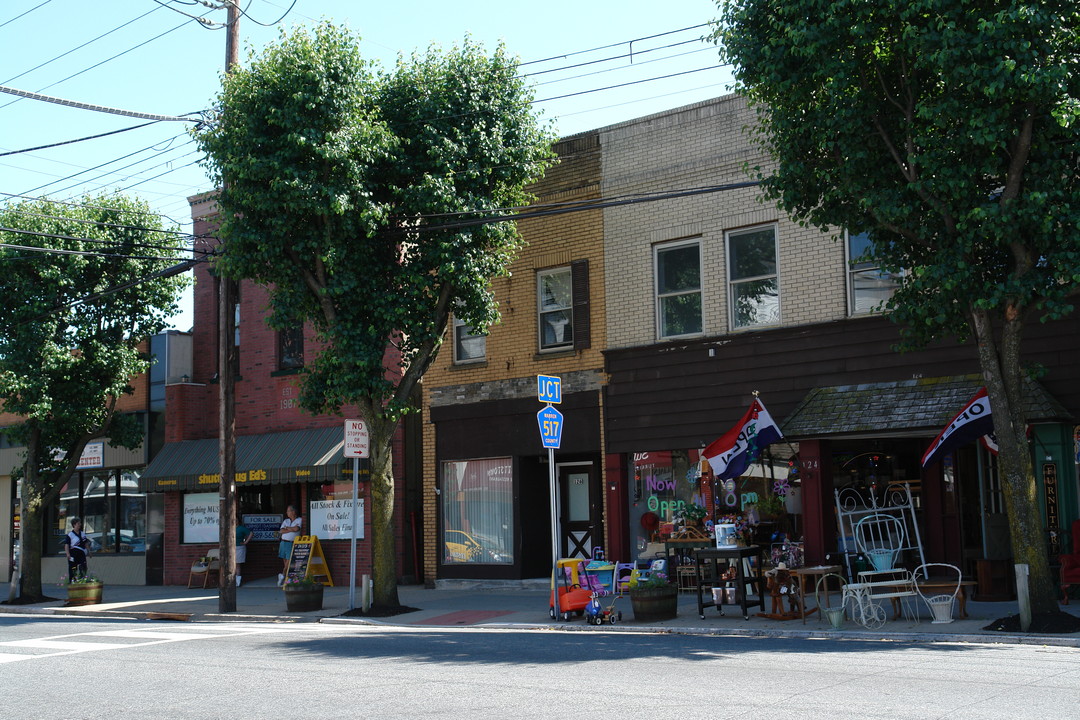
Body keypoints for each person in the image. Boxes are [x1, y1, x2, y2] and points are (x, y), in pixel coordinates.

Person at [278, 505, 302, 586]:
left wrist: (287, 528)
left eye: (288, 511)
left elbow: (297, 529)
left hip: (291, 543)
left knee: (289, 562)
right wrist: (291, 528)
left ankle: (283, 575)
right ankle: (287, 578)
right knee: (285, 561)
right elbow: (281, 531)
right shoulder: (286, 521)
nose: (287, 512)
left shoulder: (299, 520)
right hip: (283, 542)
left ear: (293, 512)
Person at [62, 517, 91, 582]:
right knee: (73, 568)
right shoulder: (70, 535)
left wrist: (89, 551)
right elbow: (67, 545)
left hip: (81, 553)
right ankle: (72, 581)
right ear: (74, 525)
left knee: (83, 566)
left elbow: (85, 543)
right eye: (78, 523)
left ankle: (82, 580)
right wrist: (68, 554)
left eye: (80, 523)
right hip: (73, 553)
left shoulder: (82, 534)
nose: (80, 524)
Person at [235, 518, 253, 587]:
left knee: (237, 564)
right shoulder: (230, 527)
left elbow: (251, 533)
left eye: (236, 520)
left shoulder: (241, 528)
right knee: (232, 564)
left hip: (239, 547)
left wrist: (246, 542)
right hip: (231, 548)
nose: (235, 521)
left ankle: (237, 581)